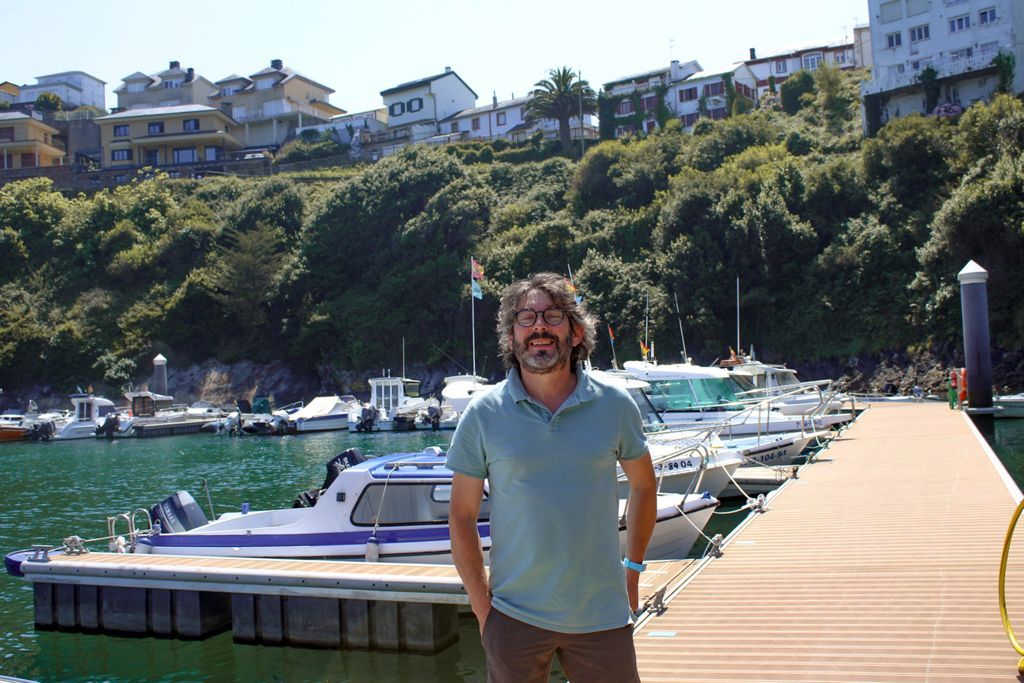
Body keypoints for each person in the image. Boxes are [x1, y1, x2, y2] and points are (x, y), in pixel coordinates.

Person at [447, 272, 657, 683]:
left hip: (602, 615)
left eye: (552, 316)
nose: (539, 326)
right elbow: (461, 515)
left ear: (576, 333)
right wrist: (481, 607)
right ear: (511, 337)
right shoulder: (483, 414)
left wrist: (632, 569)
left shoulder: (615, 405)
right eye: (525, 318)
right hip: (513, 617)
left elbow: (645, 485)